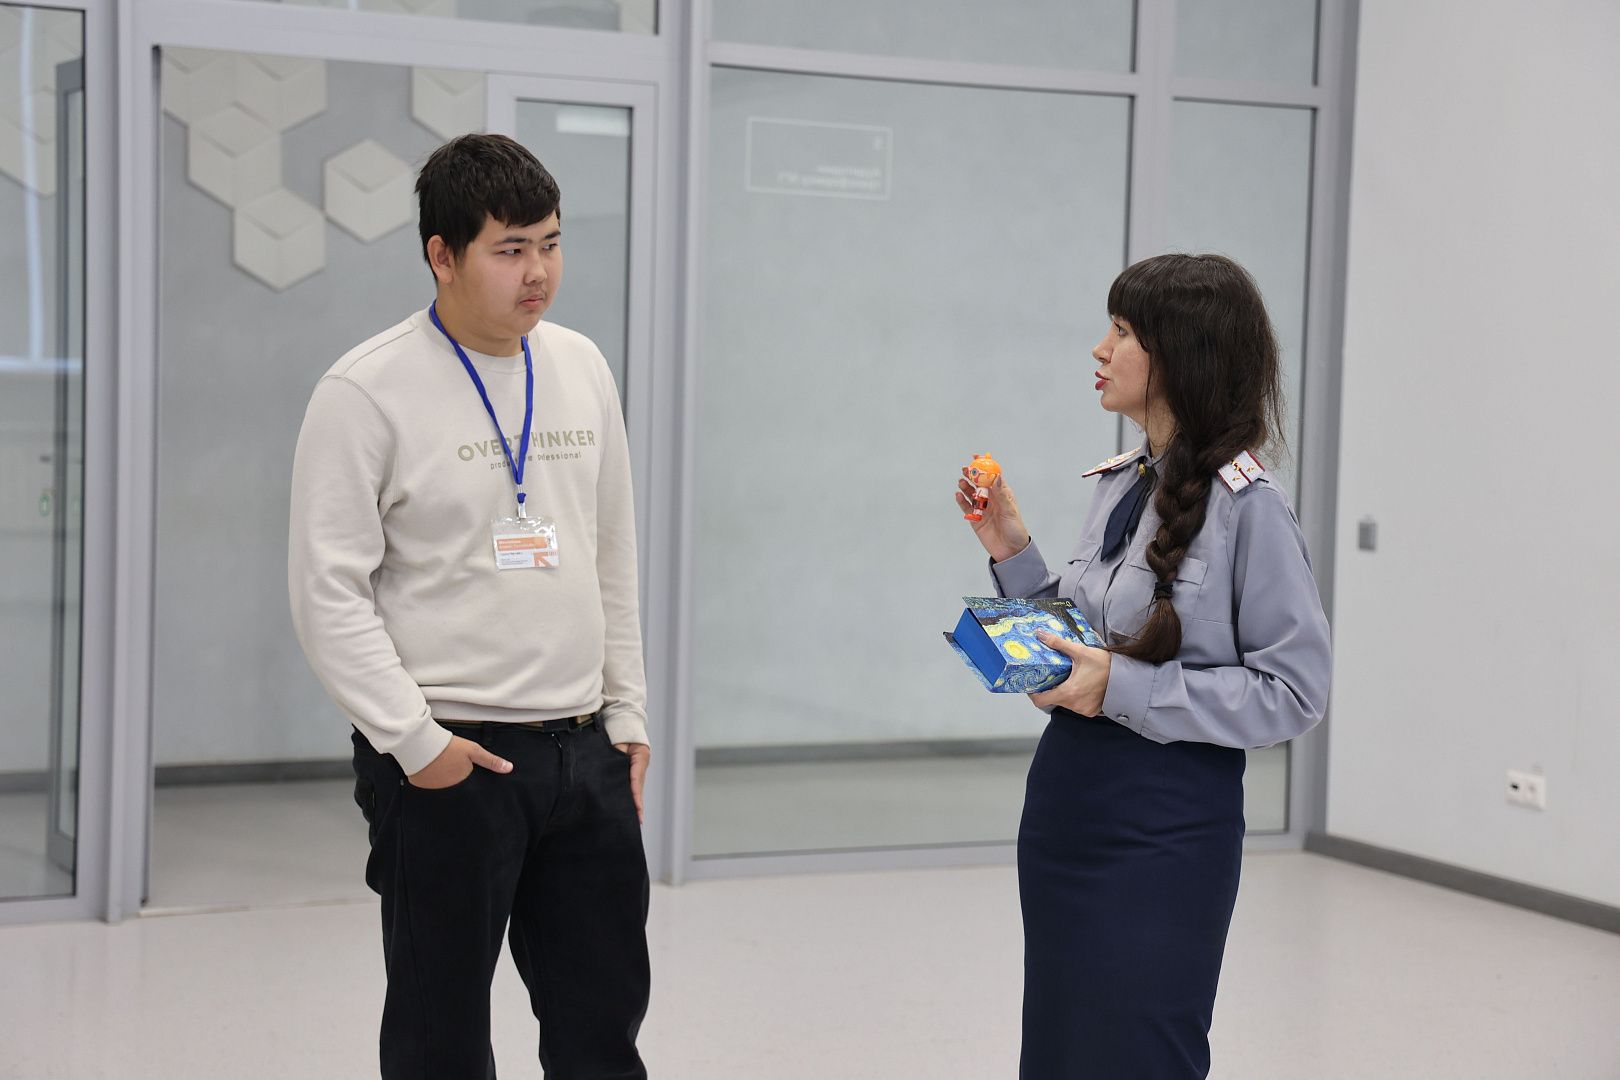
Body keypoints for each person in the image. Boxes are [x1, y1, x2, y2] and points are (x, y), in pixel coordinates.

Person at [289, 133, 651, 1080]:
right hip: (452, 759)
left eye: (551, 244)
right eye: (510, 249)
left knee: (601, 1030)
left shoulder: (580, 365)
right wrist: (417, 745)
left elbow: (611, 550)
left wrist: (627, 711)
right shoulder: (366, 390)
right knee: (439, 1039)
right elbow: (328, 593)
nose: (539, 273)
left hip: (585, 753)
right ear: (441, 255)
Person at [955, 253, 1332, 1078]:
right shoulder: (1121, 484)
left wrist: (1119, 687)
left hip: (1166, 827)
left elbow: (1293, 691)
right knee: (1060, 1048)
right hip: (1067, 807)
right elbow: (1085, 641)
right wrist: (1011, 550)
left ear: (1181, 355)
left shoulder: (1250, 509)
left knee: (1139, 1052)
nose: (1100, 349)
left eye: (1123, 332)